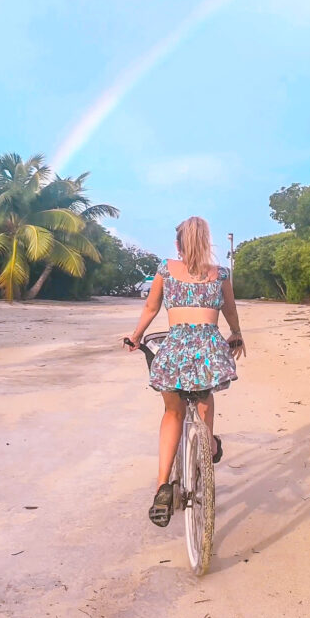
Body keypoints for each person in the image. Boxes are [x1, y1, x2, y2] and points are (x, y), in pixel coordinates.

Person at [126, 216, 245, 527]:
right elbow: (230, 310)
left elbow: (151, 308)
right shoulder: (221, 274)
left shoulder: (166, 269)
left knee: (172, 413)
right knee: (204, 401)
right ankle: (211, 448)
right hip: (209, 349)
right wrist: (235, 333)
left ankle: (163, 487)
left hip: (175, 349)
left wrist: (136, 336)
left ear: (178, 245)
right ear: (206, 243)